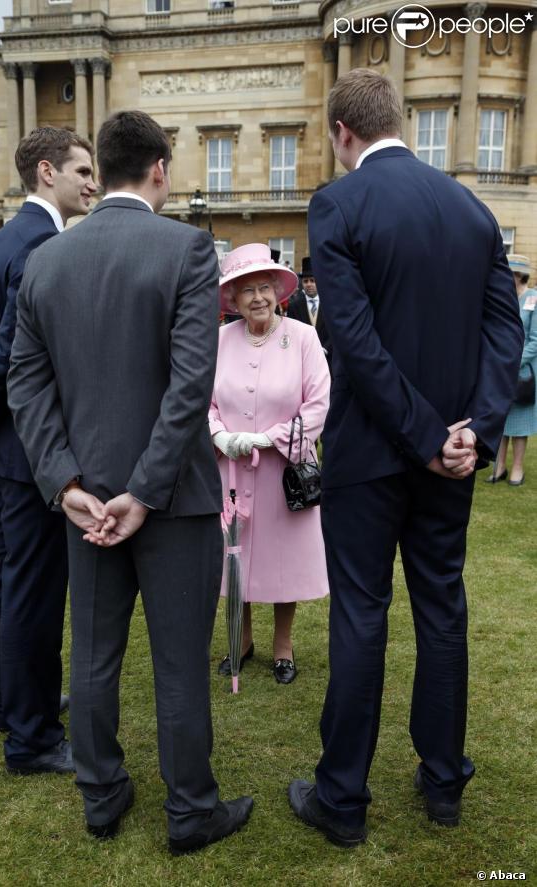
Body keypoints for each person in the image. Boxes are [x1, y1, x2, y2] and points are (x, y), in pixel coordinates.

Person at [288, 69, 524, 847]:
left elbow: (351, 340)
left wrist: (433, 437)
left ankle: (343, 799)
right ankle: (444, 780)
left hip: (373, 451)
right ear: (403, 122)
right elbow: (505, 336)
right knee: (441, 608)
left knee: (362, 614)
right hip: (449, 449)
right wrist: (473, 432)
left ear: (340, 134)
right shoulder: (472, 208)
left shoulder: (339, 201)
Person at [7, 110, 253, 852]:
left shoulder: (47, 260)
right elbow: (189, 385)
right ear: (159, 170)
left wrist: (66, 483)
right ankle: (189, 810)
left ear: (101, 170)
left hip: (90, 499)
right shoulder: (185, 246)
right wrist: (141, 492)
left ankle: (102, 795)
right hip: (168, 498)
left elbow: (27, 385)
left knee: (92, 656)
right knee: (178, 664)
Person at [0, 127, 97, 775]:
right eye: (81, 169)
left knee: (7, 580)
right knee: (31, 590)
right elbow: (4, 357)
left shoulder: (6, 240)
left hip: (11, 446)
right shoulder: (37, 244)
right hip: (32, 451)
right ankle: (30, 736)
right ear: (45, 173)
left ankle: (13, 701)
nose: (93, 180)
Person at [209, 243, 330, 684]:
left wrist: (269, 438)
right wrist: (218, 434)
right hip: (231, 469)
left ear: (278, 292)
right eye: (247, 291)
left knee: (283, 560)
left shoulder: (303, 337)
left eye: (264, 288)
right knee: (233, 555)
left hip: (285, 471)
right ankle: (239, 640)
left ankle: (283, 646)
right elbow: (201, 400)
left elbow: (317, 404)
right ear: (234, 299)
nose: (257, 297)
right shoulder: (219, 339)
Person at [486, 254, 537, 486]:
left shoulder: (533, 299)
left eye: (511, 275)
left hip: (523, 371)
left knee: (519, 424)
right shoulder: (505, 298)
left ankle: (517, 468)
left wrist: (514, 363)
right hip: (501, 369)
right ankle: (500, 466)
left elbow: (535, 340)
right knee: (501, 420)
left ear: (519, 276)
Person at [286, 256, 332, 361]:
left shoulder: (329, 305)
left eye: (312, 280)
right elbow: (292, 332)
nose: (309, 284)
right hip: (303, 357)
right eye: (306, 281)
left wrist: (325, 348)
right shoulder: (294, 305)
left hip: (327, 358)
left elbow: (334, 330)